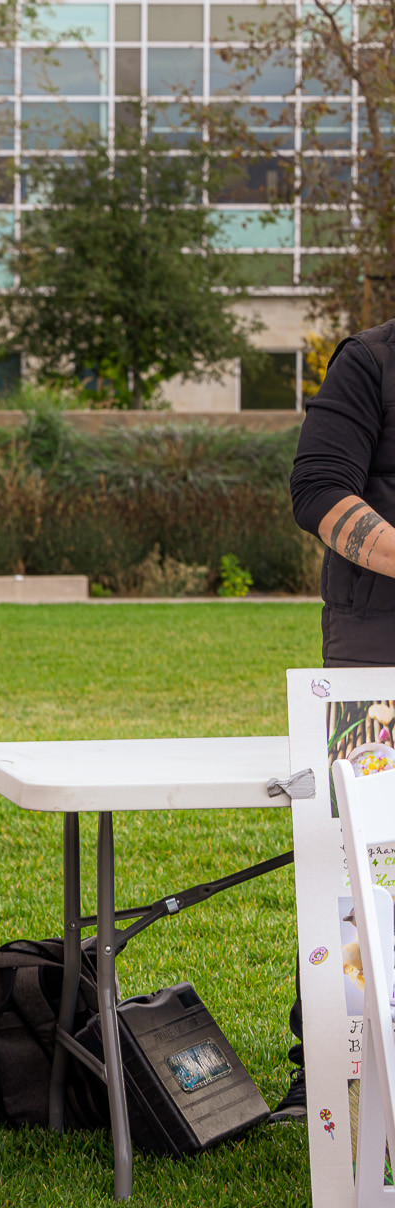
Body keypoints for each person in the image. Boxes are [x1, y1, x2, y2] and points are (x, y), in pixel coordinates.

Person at [280, 322, 395, 1121]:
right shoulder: (371, 360)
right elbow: (318, 490)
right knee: (356, 872)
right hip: (375, 652)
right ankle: (325, 1066)